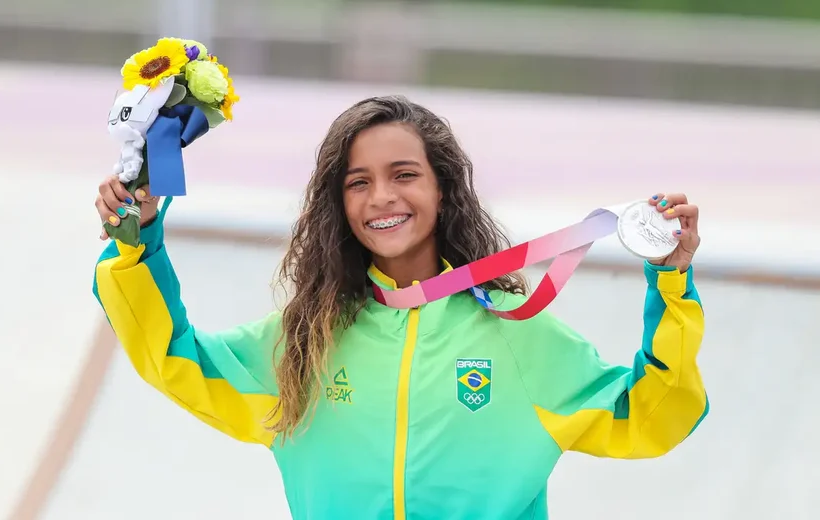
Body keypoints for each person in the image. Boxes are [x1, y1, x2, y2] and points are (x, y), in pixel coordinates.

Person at [92, 95, 708, 520]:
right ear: (340, 203)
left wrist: (671, 281)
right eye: (358, 181)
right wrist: (137, 243)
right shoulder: (305, 340)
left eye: (404, 174)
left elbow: (654, 415)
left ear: (444, 188)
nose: (381, 196)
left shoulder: (518, 339)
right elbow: (174, 356)